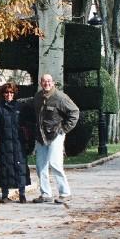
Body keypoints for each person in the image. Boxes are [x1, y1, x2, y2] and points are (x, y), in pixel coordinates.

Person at [32, 74, 79, 204]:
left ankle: (65, 193)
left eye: (49, 81)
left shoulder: (60, 97)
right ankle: (46, 194)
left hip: (56, 135)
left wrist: (64, 129)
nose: (46, 83)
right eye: (44, 81)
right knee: (40, 165)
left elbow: (74, 112)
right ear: (41, 83)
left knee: (55, 163)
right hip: (41, 136)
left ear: (53, 83)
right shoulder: (38, 97)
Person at [0, 82, 31, 203]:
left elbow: (27, 126)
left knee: (20, 167)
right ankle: (5, 194)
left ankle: (22, 194)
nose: (9, 95)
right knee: (4, 168)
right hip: (4, 145)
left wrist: (29, 143)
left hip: (19, 143)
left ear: (14, 94)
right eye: (6, 92)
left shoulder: (20, 108)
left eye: (11, 92)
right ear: (3, 94)